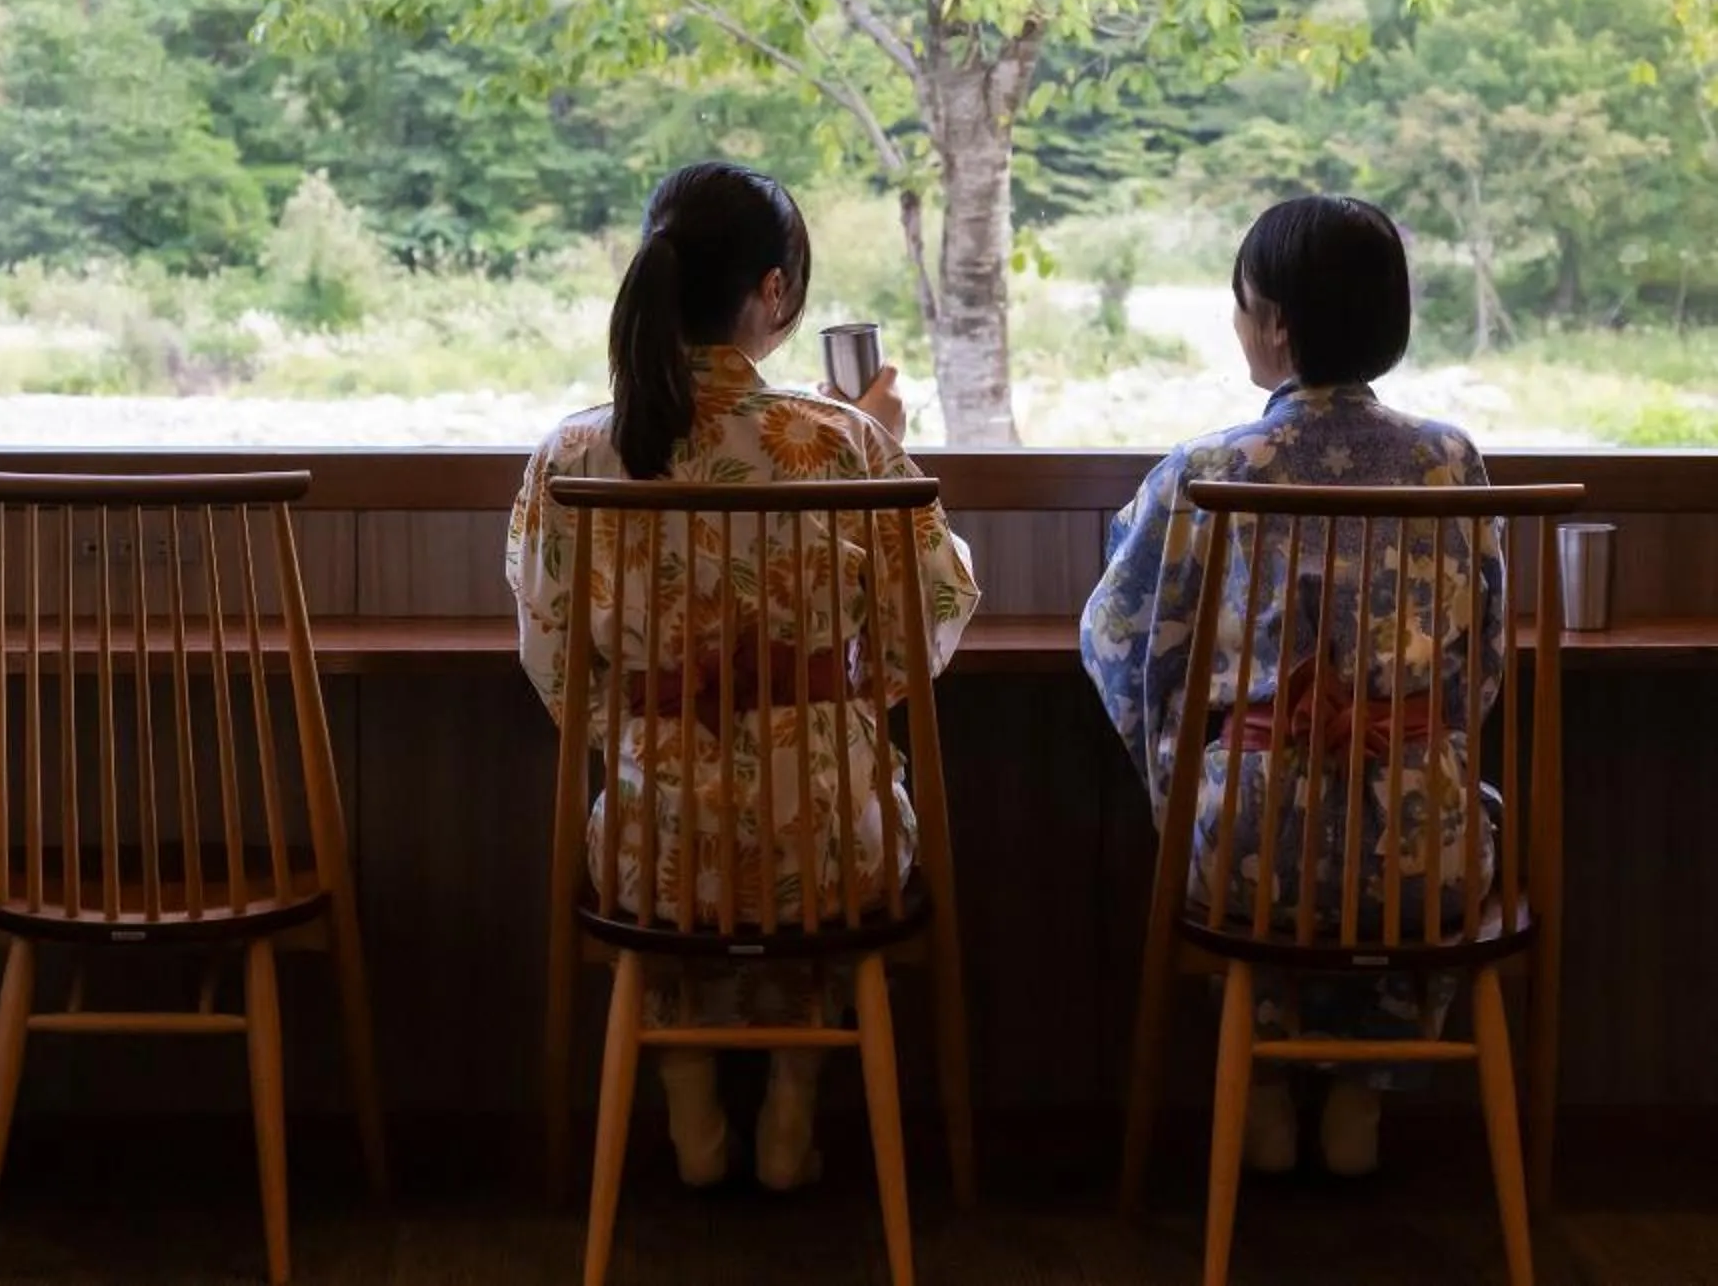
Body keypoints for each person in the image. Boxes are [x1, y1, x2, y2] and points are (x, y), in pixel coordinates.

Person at [506, 162, 979, 1191]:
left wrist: (647, 730)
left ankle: (692, 1125)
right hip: (827, 833)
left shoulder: (575, 450)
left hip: (651, 831)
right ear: (772, 295)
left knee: (676, 868)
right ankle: (791, 1121)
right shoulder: (844, 440)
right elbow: (935, 612)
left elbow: (551, 658)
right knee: (823, 839)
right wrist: (849, 700)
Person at [1081, 194, 1503, 1179]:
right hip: (1417, 844)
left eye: (1241, 305)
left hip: (1247, 854)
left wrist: (1186, 767)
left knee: (1240, 820)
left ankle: (1260, 1087)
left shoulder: (1208, 468)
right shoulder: (1453, 462)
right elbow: (1479, 666)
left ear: (1272, 322)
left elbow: (1118, 636)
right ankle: (1363, 1092)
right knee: (1436, 819)